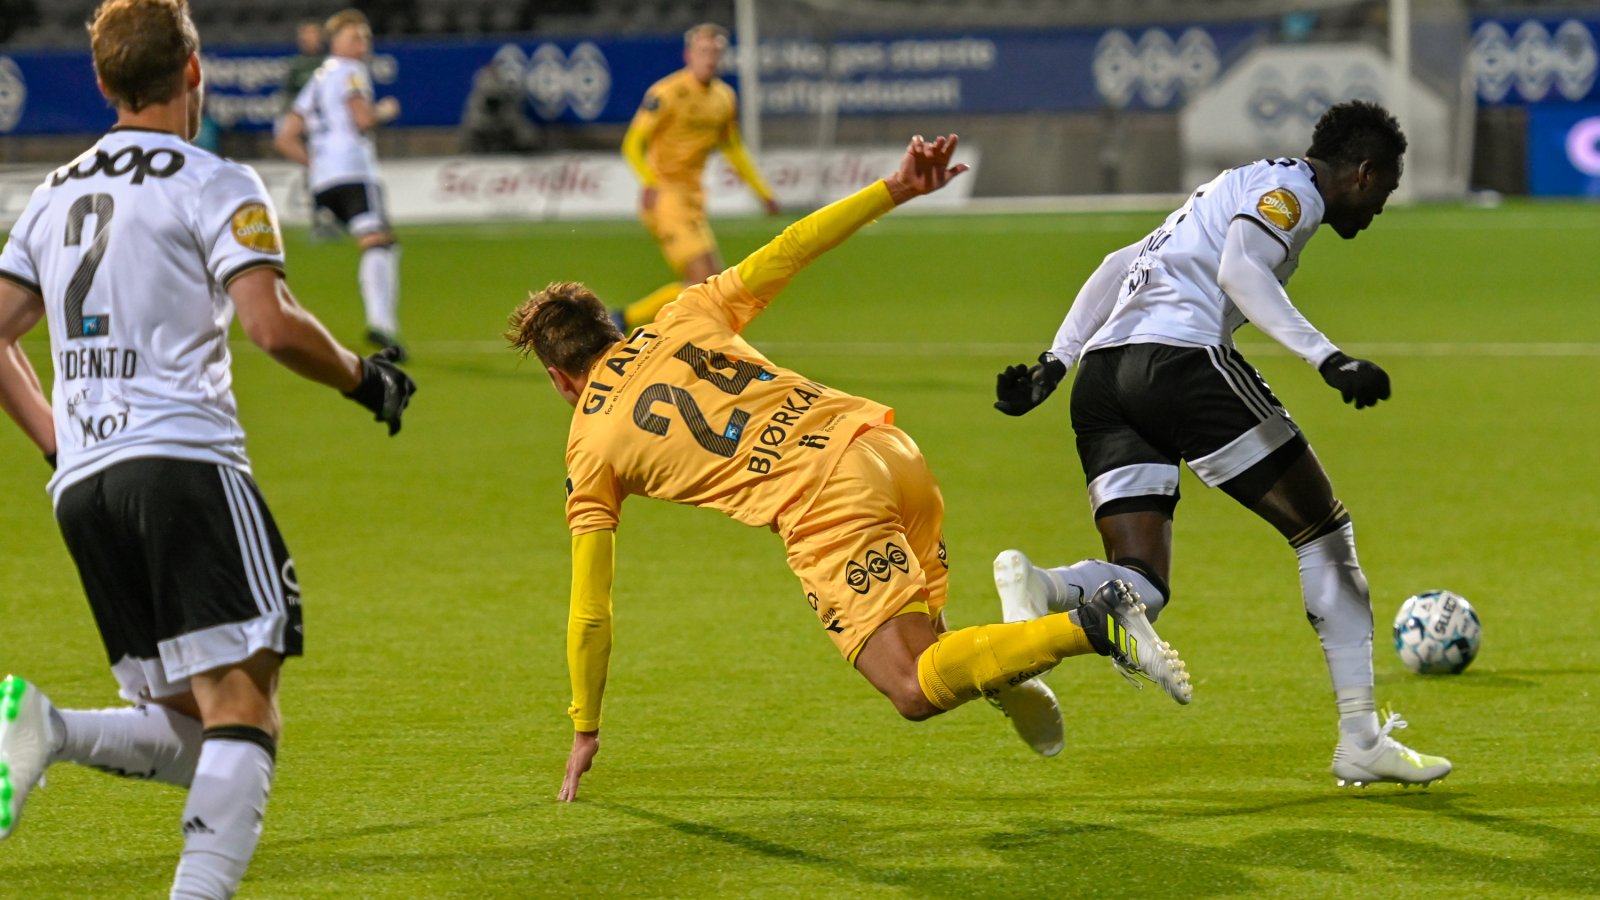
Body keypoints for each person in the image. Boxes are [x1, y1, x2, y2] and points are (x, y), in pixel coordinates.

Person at [506, 135, 1193, 803]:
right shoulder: (685, 313)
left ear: (561, 380)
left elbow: (590, 610)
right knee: (934, 642)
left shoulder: (589, 444)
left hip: (824, 503)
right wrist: (895, 188)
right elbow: (793, 246)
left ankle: (1089, 624)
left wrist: (584, 725)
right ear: (615, 331)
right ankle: (1010, 673)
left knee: (914, 687)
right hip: (885, 447)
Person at [0, 1, 416, 895]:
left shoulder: (54, 191)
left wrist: (57, 442)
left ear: (105, 84)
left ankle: (50, 728)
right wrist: (363, 378)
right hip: (183, 465)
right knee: (247, 711)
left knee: (195, 727)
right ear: (195, 71)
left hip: (85, 488)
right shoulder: (215, 180)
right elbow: (271, 325)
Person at [991, 100, 1451, 788]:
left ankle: (1045, 586)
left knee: (1141, 581)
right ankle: (1361, 739)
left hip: (1104, 376)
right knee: (1324, 533)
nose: (1383, 203)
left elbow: (1120, 262)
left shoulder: (1234, 183)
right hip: (1178, 363)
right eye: (1386, 186)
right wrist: (1329, 359)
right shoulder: (1291, 194)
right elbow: (1241, 272)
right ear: (1363, 172)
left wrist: (1056, 364)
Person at [611, 22, 781, 333]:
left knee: (713, 286)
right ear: (689, 54)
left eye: (716, 52)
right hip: (665, 197)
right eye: (704, 51)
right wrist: (649, 181)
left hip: (693, 198)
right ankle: (634, 324)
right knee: (705, 283)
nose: (711, 58)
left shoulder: (724, 98)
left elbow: (732, 147)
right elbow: (633, 144)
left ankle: (625, 319)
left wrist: (763, 191)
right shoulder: (667, 93)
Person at [274, 9, 406, 360]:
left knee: (379, 242)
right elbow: (362, 118)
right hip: (355, 171)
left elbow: (285, 137)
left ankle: (382, 322)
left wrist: (316, 164)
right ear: (336, 42)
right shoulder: (352, 72)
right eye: (355, 37)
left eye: (365, 37)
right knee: (379, 244)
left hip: (323, 181)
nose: (363, 44)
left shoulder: (316, 78)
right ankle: (382, 324)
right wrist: (385, 112)